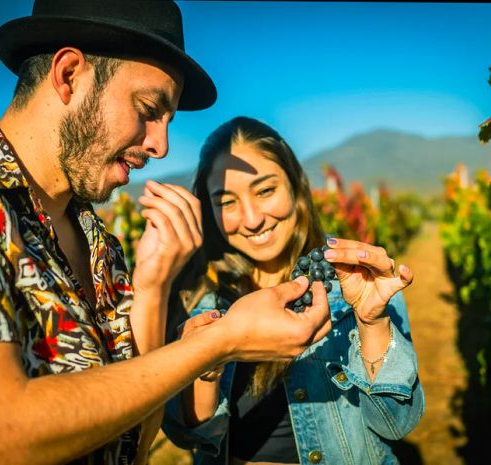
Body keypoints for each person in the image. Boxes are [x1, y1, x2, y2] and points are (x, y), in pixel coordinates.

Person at [0, 2, 333, 465]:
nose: (160, 146)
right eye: (149, 109)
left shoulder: (99, 243)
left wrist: (152, 288)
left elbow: (132, 446)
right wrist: (219, 343)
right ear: (68, 75)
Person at [163, 117, 425, 465]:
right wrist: (208, 360)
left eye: (265, 190)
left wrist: (372, 323)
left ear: (296, 187)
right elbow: (189, 437)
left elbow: (397, 422)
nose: (252, 218)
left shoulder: (355, 285)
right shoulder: (200, 298)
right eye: (226, 202)